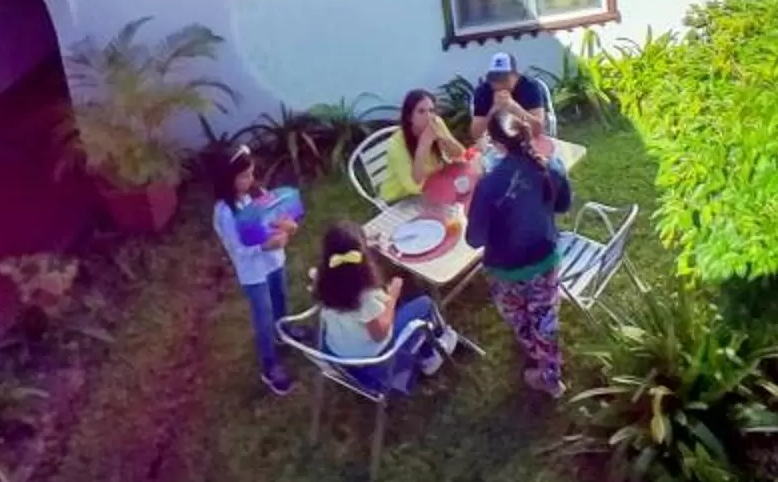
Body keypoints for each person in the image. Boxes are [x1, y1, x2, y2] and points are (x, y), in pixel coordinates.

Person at [465, 109, 572, 393]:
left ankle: (535, 355)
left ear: (497, 144)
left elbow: (474, 239)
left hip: (506, 271)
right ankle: (550, 374)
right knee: (545, 314)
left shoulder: (488, 185)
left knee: (518, 315)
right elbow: (562, 205)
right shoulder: (552, 166)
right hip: (545, 259)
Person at [309, 222, 449, 393]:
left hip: (338, 356)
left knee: (402, 307)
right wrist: (392, 296)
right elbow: (379, 333)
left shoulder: (322, 282)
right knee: (424, 304)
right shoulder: (365, 295)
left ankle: (427, 349)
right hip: (376, 362)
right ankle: (433, 353)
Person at [212, 143, 299, 395]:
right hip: (253, 273)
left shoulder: (257, 194)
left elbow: (273, 217)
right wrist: (266, 245)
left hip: (273, 262)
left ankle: (283, 331)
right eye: (243, 176)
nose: (250, 179)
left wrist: (286, 225)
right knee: (263, 315)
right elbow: (238, 249)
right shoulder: (225, 213)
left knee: (280, 296)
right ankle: (269, 365)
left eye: (250, 173)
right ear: (227, 179)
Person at [381, 87, 468, 201]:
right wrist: (423, 146)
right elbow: (415, 186)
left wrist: (445, 138)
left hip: (432, 185)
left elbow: (459, 154)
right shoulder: (396, 145)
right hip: (401, 198)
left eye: (431, 111)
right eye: (421, 111)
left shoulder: (436, 122)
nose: (428, 117)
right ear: (409, 117)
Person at [469, 53, 553, 146]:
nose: (498, 85)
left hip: (528, 141)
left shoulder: (530, 87)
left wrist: (513, 107)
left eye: (504, 80)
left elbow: (538, 130)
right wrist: (494, 109)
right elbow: (477, 135)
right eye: (494, 80)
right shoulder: (483, 91)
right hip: (496, 145)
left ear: (515, 75)